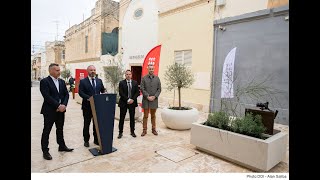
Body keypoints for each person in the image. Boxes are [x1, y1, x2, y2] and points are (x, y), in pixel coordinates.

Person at [39, 63, 74, 160]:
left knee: (60, 129)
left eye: (59, 70)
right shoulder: (44, 82)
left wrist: (64, 105)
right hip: (49, 111)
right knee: (47, 131)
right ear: (51, 71)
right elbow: (46, 96)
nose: (59, 72)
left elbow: (66, 94)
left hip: (61, 111)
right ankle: (45, 151)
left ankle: (61, 146)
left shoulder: (62, 82)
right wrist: (58, 105)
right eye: (57, 70)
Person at [79, 65, 106, 147]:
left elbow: (102, 90)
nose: (93, 71)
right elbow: (81, 92)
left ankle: (96, 140)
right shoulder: (83, 81)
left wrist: (104, 93)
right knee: (87, 124)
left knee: (96, 124)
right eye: (91, 70)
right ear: (87, 71)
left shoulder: (99, 81)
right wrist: (89, 98)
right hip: (87, 107)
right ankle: (86, 140)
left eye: (94, 70)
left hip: (97, 106)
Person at [140, 64, 161, 136]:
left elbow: (159, 89)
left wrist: (155, 96)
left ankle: (153, 129)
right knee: (145, 116)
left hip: (154, 100)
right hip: (146, 100)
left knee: (153, 115)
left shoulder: (157, 78)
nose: (151, 70)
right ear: (148, 69)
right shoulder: (144, 78)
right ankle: (144, 130)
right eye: (150, 69)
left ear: (153, 69)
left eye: (152, 69)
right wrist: (147, 96)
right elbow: (142, 88)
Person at [117, 70, 140, 139]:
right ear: (125, 75)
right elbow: (121, 93)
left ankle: (132, 132)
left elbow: (137, 92)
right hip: (124, 103)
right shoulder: (121, 83)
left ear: (131, 75)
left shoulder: (135, 83)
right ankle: (120, 132)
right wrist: (128, 99)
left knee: (132, 118)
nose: (128, 75)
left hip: (132, 103)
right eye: (127, 74)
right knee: (122, 118)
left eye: (129, 74)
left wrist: (132, 99)